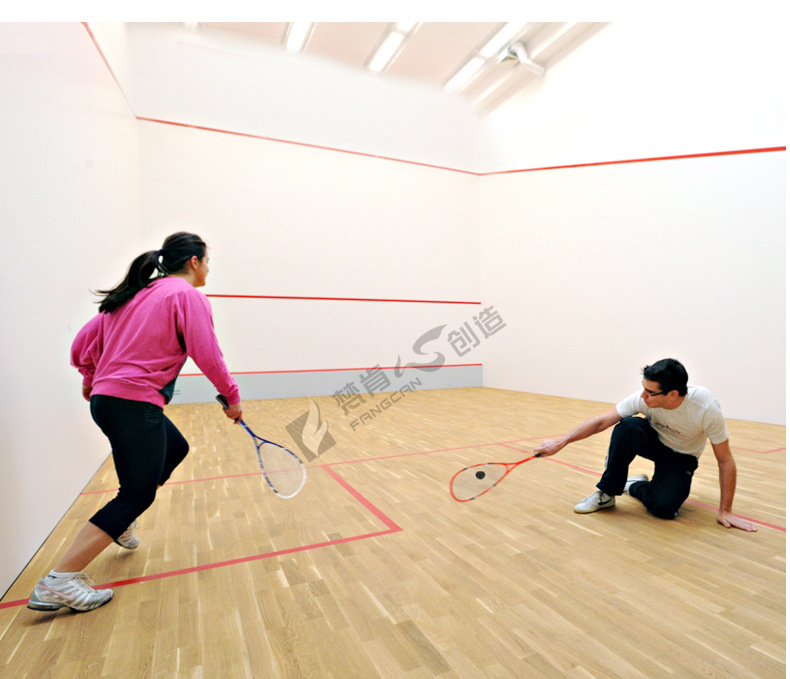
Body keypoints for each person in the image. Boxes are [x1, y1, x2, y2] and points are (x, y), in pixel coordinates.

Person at [28, 232, 243, 613]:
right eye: (207, 261)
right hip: (133, 404)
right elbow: (207, 352)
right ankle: (58, 583)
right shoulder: (186, 295)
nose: (208, 269)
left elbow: (81, 344)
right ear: (193, 261)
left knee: (175, 448)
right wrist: (231, 396)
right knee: (137, 494)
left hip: (108, 402)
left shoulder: (132, 294)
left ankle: (119, 522)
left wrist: (90, 378)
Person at [535, 358, 757, 532]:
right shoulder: (643, 398)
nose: (643, 396)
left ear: (673, 394)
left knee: (664, 508)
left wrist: (725, 510)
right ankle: (607, 493)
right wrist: (561, 441)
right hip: (652, 442)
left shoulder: (706, 408)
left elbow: (725, 460)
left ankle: (634, 485)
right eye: (643, 388)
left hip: (681, 456)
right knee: (627, 427)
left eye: (650, 392)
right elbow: (602, 422)